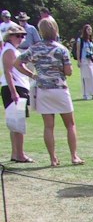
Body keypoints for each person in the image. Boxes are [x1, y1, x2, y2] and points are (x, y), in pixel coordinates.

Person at [17, 17, 83, 167]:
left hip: (43, 90)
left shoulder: (35, 48)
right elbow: (68, 71)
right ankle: (74, 156)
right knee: (70, 124)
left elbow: (17, 63)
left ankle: (53, 159)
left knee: (48, 126)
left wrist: (32, 74)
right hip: (59, 89)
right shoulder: (61, 49)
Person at [2, 24, 33, 162]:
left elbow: (21, 67)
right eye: (18, 35)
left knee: (15, 122)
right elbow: (8, 72)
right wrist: (14, 92)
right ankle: (20, 154)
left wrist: (33, 76)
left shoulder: (14, 50)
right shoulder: (9, 50)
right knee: (18, 122)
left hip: (19, 87)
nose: (21, 38)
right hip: (15, 88)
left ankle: (15, 153)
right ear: (10, 36)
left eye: (23, 35)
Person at [73, 24, 93, 100]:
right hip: (84, 60)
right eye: (88, 30)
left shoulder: (90, 40)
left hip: (91, 60)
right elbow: (78, 51)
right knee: (86, 77)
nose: (90, 31)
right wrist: (79, 61)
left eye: (90, 30)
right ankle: (86, 94)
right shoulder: (81, 40)